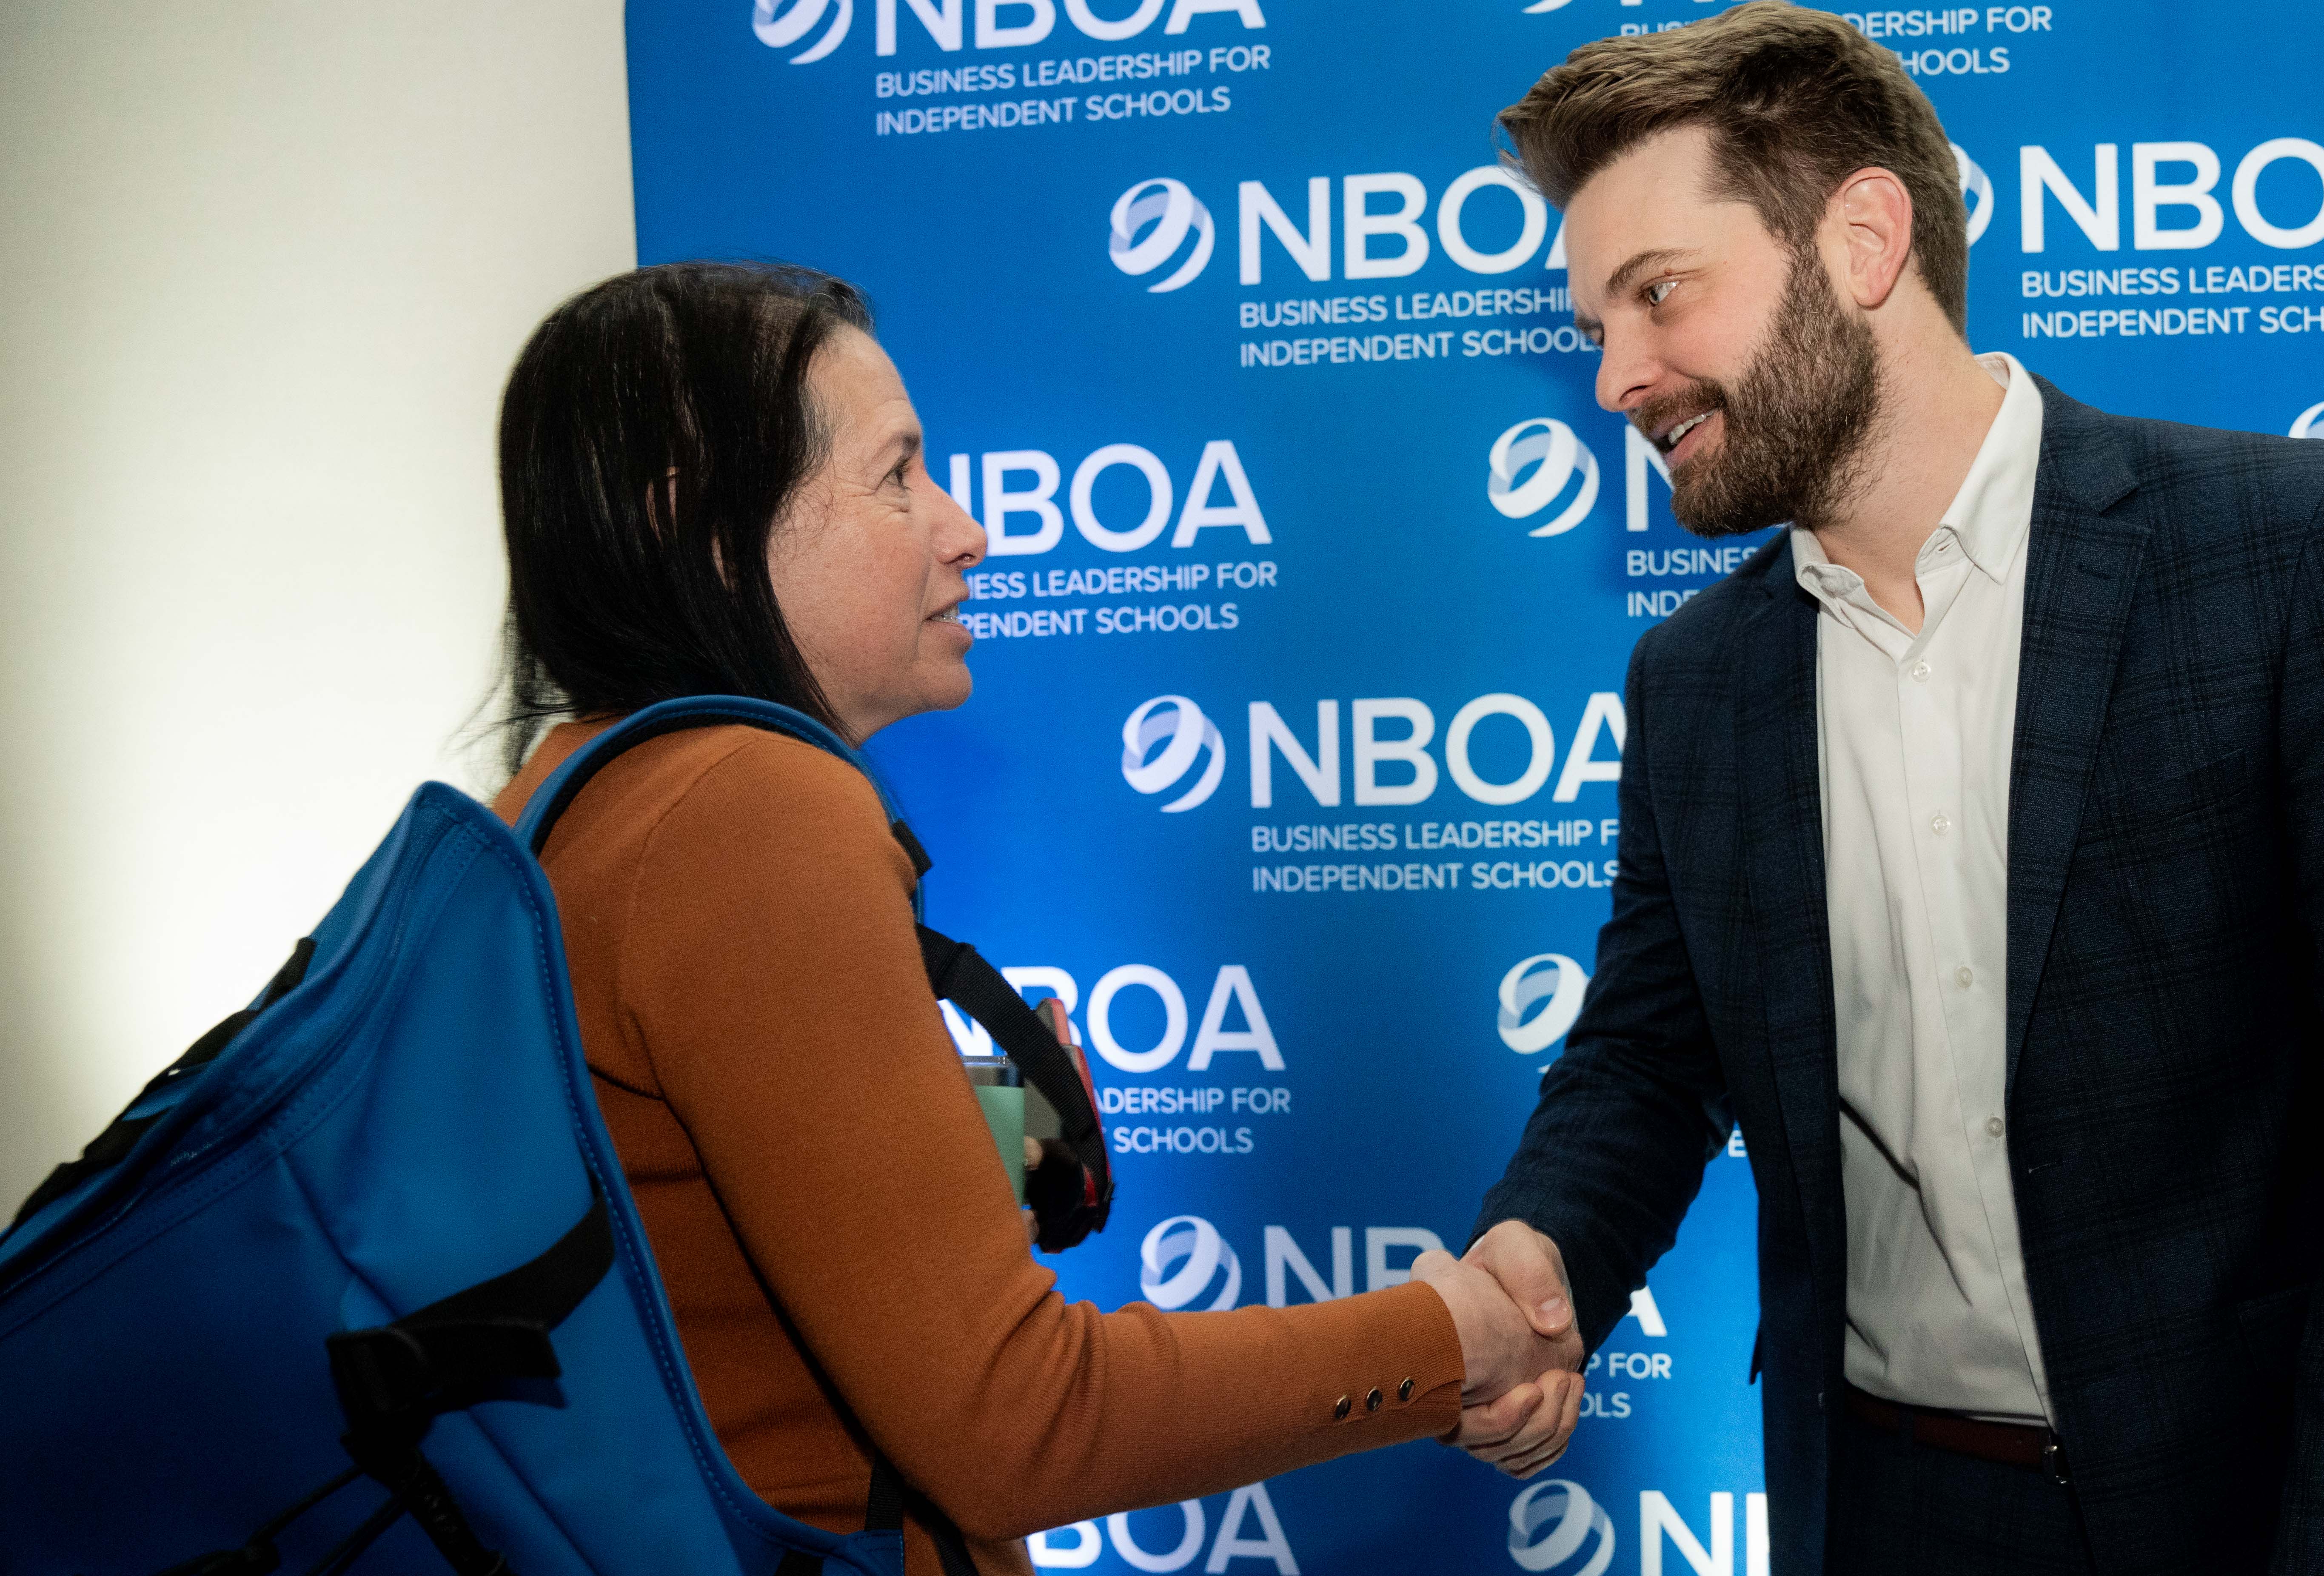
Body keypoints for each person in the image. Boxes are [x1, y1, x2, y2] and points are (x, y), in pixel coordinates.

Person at [1448, 6, 2324, 1573]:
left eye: (1655, 295)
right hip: (1891, 1513)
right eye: (1592, 326)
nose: (1617, 374)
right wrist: (1536, 1252)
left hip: (2283, 1502)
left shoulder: (2287, 550)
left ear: (1865, 238)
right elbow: (1644, 1051)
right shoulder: (1694, 681)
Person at [484, 262, 1583, 1574]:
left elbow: (731, 1241)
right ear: (706, 527)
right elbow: (1021, 1424)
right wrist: (1441, 1336)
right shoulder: (748, 806)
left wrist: (981, 1129)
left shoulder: (569, 790)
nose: (966, 529)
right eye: (897, 475)